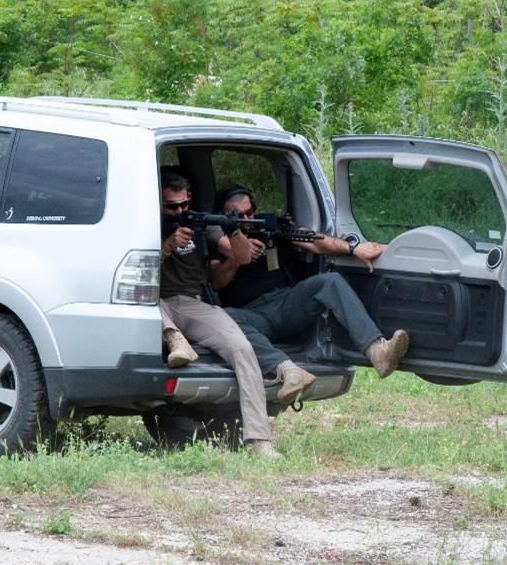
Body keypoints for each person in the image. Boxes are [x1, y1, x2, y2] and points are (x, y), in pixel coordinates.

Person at [157, 169, 300, 459]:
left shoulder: (201, 223)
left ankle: (260, 440)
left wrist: (233, 228)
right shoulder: (145, 223)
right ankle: (174, 339)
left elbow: (242, 256)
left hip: (194, 302)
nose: (181, 212)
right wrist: (168, 245)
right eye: (172, 207)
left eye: (185, 204)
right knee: (140, 300)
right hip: (153, 299)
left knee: (242, 349)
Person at [209, 184, 409, 385]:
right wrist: (237, 256)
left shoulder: (266, 224)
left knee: (330, 281)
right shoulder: (218, 239)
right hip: (252, 315)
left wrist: (352, 248)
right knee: (225, 318)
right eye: (238, 216)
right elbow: (216, 282)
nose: (247, 219)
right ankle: (288, 371)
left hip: (285, 303)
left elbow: (312, 239)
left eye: (249, 212)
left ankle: (376, 350)